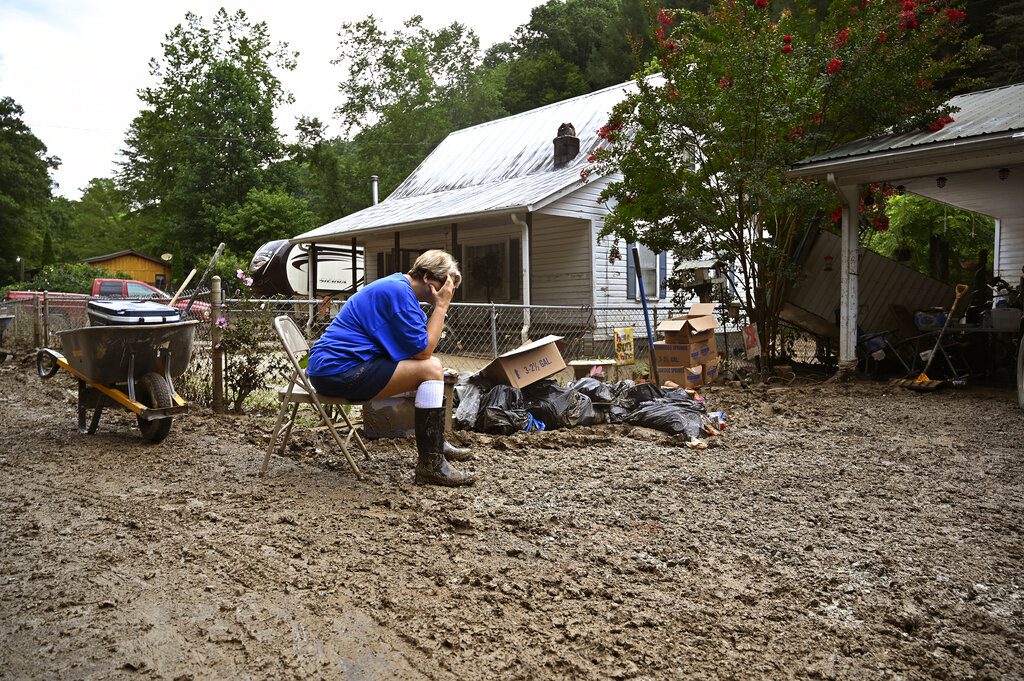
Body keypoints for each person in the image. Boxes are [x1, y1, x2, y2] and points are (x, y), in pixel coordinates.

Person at [306, 250, 474, 487]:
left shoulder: (400, 290)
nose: (448, 291)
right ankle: (431, 463)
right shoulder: (398, 293)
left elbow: (413, 349)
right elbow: (424, 350)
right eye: (444, 283)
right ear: (427, 277)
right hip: (338, 370)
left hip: (338, 367)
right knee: (431, 368)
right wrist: (441, 307)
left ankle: (434, 445)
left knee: (430, 368)